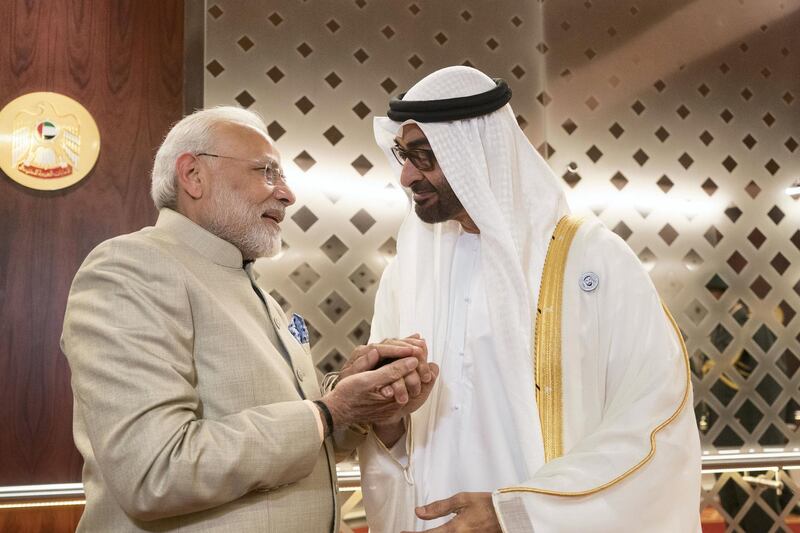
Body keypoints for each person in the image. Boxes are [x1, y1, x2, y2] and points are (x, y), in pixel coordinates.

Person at [60, 106, 438, 532]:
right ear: (193, 175)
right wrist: (329, 411)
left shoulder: (248, 284)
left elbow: (304, 438)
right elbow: (155, 472)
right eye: (267, 172)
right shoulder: (131, 267)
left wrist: (361, 400)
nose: (287, 194)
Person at [358, 66, 702, 532]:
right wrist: (388, 417)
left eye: (424, 157)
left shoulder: (591, 260)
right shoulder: (408, 272)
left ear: (476, 156)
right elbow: (396, 439)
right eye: (403, 154)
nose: (405, 176)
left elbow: (655, 417)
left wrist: (517, 513)